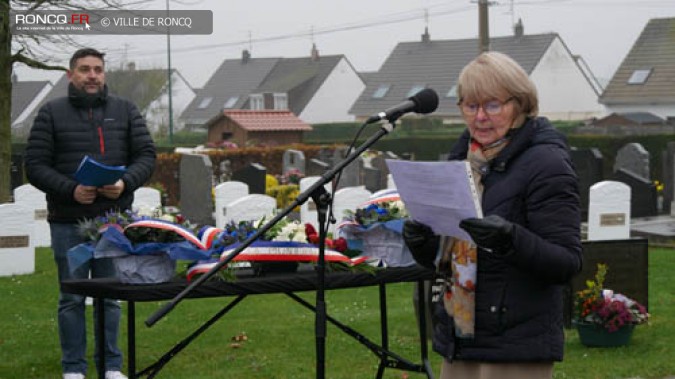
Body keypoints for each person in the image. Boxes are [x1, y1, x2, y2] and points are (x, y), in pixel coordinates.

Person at [403, 51, 581, 379]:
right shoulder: (461, 161)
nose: (480, 116)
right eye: (471, 106)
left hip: (514, 344)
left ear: (521, 104)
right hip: (460, 335)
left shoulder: (546, 165)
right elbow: (450, 256)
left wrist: (510, 240)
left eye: (493, 105)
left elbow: (566, 263)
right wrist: (425, 245)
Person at [25, 48, 156, 379]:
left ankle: (111, 365)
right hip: (69, 220)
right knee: (71, 297)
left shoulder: (125, 110)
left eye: (98, 69)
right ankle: (73, 369)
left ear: (104, 75)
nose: (92, 75)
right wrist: (70, 189)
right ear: (71, 75)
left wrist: (124, 183)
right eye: (84, 69)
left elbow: (146, 155)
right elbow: (35, 166)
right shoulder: (50, 113)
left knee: (111, 297)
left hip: (113, 222)